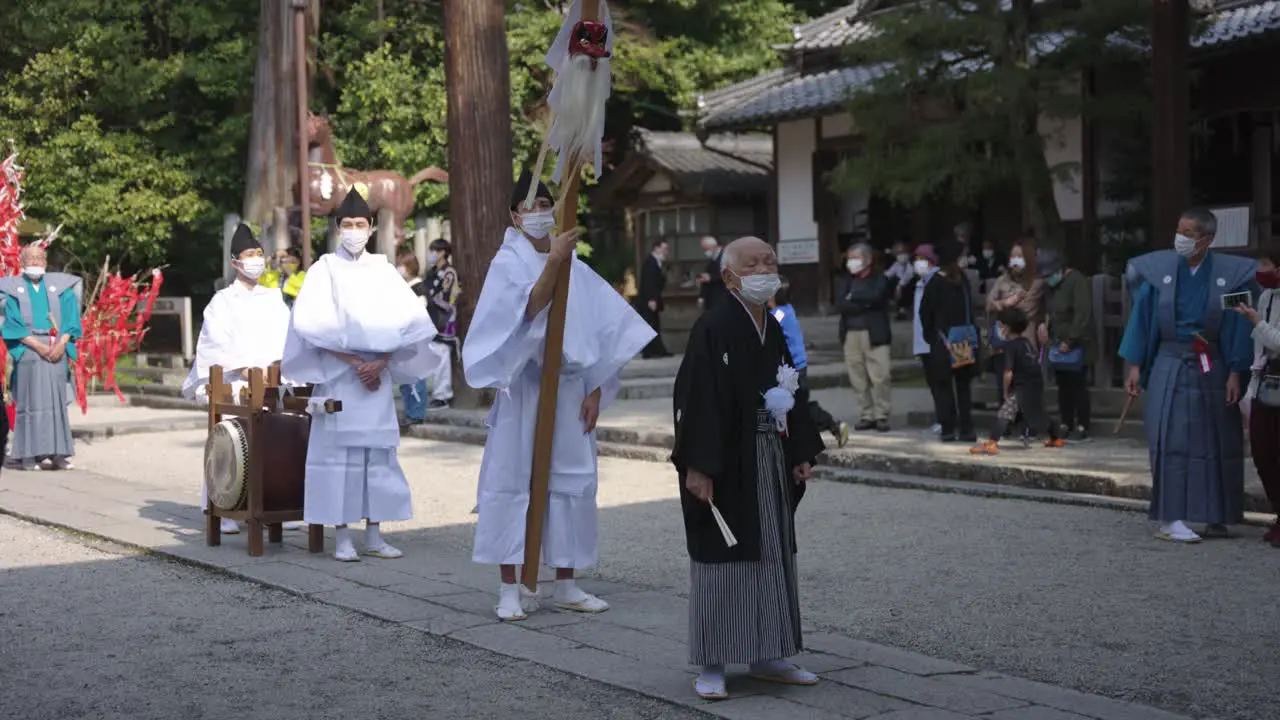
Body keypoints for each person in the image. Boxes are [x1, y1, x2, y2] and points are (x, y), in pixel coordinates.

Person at [462, 169, 654, 621]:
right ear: (515, 215)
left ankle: (567, 581)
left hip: (570, 389)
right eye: (531, 206)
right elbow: (526, 311)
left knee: (573, 483)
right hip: (524, 386)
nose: (541, 212)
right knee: (512, 482)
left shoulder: (577, 267)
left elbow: (609, 328)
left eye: (547, 204)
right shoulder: (507, 263)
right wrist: (553, 263)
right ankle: (510, 587)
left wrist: (597, 388)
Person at [672, 236, 825, 702]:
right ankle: (713, 662)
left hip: (769, 456)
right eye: (753, 263)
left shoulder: (774, 326)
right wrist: (698, 466)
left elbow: (793, 389)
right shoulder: (713, 326)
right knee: (723, 555)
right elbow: (695, 399)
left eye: (770, 261)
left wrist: (800, 450)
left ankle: (768, 652)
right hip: (726, 457)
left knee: (772, 551)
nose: (765, 268)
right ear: (729, 277)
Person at [282, 188, 441, 562]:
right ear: (338, 228)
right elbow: (310, 325)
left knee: (378, 457)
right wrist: (355, 362)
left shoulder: (384, 270)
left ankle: (374, 533)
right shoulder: (324, 270)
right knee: (340, 459)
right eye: (347, 224)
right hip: (340, 375)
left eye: (360, 224)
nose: (354, 230)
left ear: (370, 228)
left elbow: (409, 321)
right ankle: (342, 536)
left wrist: (382, 361)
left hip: (376, 378)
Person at [1119, 207, 1255, 543]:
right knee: (1171, 439)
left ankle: (1217, 513)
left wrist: (1236, 370)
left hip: (1212, 360)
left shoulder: (1231, 274)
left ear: (1207, 240)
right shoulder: (1159, 271)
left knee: (1218, 437)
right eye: (1179, 231)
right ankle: (1170, 517)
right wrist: (1135, 366)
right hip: (1169, 359)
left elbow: (1238, 321)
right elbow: (1143, 317)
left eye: (1189, 234)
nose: (1180, 239)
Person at [182, 223, 294, 535]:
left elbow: (289, 336)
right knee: (231, 446)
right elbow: (214, 342)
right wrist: (244, 368)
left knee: (276, 445)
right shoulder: (222, 301)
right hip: (236, 381)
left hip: (272, 380)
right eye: (249, 255)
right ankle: (226, 507)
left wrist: (281, 366)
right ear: (235, 263)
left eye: (260, 254)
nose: (256, 260)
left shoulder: (274, 298)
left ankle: (274, 504)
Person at [0, 244, 81, 471]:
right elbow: (12, 322)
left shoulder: (60, 287)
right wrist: (38, 346)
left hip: (57, 347)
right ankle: (27, 455)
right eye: (31, 258)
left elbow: (71, 318)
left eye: (39, 258)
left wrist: (62, 342)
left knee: (57, 403)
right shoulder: (12, 288)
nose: (35, 262)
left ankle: (59, 454)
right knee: (30, 403)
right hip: (29, 348)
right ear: (22, 262)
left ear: (45, 262)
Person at [1235, 245, 1280, 546]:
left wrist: (1256, 322)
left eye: (1266, 265)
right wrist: (1250, 389)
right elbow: (1260, 349)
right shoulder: (1266, 296)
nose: (1261, 271)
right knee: (1263, 453)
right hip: (1266, 382)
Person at [971, 308, 1062, 455]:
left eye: (1000, 326)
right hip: (1035, 383)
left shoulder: (1011, 347)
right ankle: (1055, 437)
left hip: (1021, 386)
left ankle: (992, 442)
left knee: (1005, 413)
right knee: (1037, 413)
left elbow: (1008, 372)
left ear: (1006, 328)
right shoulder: (1026, 342)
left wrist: (1006, 391)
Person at [770, 279, 849, 447]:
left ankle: (831, 425)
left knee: (797, 407)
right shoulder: (787, 310)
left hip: (790, 369)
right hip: (795, 366)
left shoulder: (778, 315)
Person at [919, 241, 978, 442]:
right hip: (962, 340)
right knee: (962, 386)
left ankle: (947, 428)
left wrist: (930, 336)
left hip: (941, 341)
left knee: (943, 386)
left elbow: (924, 313)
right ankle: (967, 428)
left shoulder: (935, 282)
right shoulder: (962, 280)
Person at [835, 242, 892, 431]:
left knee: (880, 375)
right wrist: (862, 302)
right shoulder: (845, 281)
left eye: (855, 258)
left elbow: (877, 297)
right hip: (851, 334)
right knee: (857, 377)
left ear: (867, 260)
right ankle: (866, 414)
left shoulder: (879, 279)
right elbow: (841, 304)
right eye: (850, 258)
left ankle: (881, 414)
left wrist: (855, 298)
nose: (851, 262)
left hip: (874, 333)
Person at [1039, 250, 1094, 441]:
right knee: (1063, 385)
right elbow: (1047, 311)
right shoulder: (1050, 287)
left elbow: (1082, 314)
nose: (1048, 278)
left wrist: (1070, 339)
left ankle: (1082, 424)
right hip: (1056, 341)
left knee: (1078, 384)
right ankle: (1066, 421)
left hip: (1076, 342)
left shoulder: (1077, 281)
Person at [422, 238, 459, 410]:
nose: (432, 254)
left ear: (444, 252)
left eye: (435, 251)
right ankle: (437, 393)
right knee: (433, 356)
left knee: (442, 355)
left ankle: (443, 395)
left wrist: (429, 297)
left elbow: (447, 296)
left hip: (444, 319)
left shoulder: (449, 272)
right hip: (431, 317)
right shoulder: (432, 271)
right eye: (431, 250)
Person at [396, 251, 431, 425]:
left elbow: (417, 315)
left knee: (416, 378)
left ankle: (416, 413)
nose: (398, 268)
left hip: (415, 339)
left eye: (401, 265)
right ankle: (410, 411)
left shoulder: (418, 288)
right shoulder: (406, 288)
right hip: (405, 339)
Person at [911, 244, 941, 434]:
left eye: (922, 259)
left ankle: (945, 418)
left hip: (935, 341)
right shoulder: (919, 283)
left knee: (940, 383)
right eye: (916, 259)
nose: (918, 263)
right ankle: (941, 417)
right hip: (923, 342)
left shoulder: (936, 282)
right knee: (933, 383)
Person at [636, 239, 671, 359]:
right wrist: (651, 299)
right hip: (649, 300)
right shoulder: (650, 262)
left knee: (654, 324)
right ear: (656, 248)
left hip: (653, 298)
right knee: (650, 325)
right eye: (664, 249)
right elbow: (649, 282)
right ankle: (648, 352)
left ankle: (658, 350)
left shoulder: (657, 262)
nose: (666, 252)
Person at [884, 241, 914, 320]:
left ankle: (903, 309)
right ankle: (894, 304)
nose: (901, 256)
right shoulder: (896, 264)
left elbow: (909, 275)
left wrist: (900, 285)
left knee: (904, 286)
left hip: (908, 287)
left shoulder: (910, 265)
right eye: (898, 254)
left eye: (903, 253)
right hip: (898, 288)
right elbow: (888, 274)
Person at [697, 236, 728, 313]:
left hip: (722, 296)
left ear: (714, 247)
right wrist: (702, 296)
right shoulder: (712, 259)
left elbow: (729, 275)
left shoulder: (726, 257)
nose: (705, 252)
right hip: (712, 297)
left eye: (706, 249)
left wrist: (711, 278)